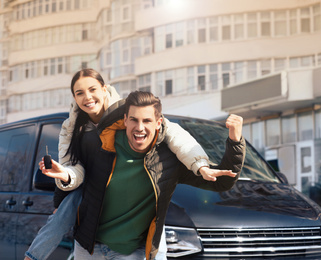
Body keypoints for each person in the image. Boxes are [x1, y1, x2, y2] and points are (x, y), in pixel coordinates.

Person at [24, 69, 223, 260]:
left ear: (104, 88)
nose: (87, 97)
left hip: (132, 205)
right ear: (74, 98)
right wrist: (64, 176)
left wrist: (200, 164)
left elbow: (175, 135)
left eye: (92, 89)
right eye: (80, 93)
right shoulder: (72, 128)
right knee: (63, 211)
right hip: (92, 191)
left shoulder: (129, 112)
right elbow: (73, 167)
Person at [53, 90, 246, 259]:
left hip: (132, 252)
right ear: (125, 120)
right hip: (89, 249)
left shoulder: (170, 159)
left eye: (147, 121)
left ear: (158, 123)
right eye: (134, 120)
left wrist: (235, 141)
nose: (139, 127)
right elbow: (76, 175)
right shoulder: (101, 145)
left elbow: (221, 183)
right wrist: (58, 200)